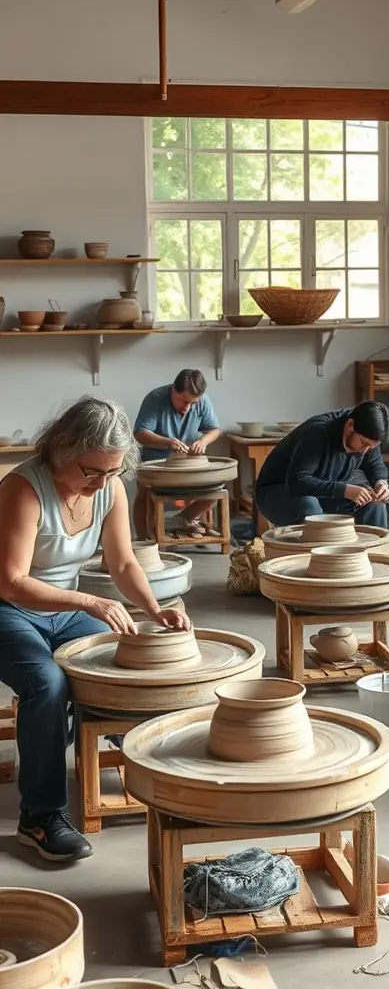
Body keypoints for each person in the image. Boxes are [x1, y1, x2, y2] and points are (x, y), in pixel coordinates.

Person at [0, 397, 190, 863]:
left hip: (61, 609)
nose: (103, 482)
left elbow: (123, 562)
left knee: (123, 656)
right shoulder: (23, 488)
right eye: (93, 472)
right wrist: (91, 600)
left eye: (113, 472)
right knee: (47, 683)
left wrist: (154, 608)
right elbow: (13, 581)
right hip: (7, 608)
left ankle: (147, 763)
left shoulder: (109, 488)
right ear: (63, 451)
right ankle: (40, 818)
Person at [255, 402, 389, 529]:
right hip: (277, 493)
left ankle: (373, 554)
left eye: (372, 447)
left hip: (322, 491)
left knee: (375, 504)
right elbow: (297, 481)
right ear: (350, 426)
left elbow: (374, 463)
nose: (365, 450)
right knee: (309, 505)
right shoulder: (317, 433)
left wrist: (381, 483)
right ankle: (321, 554)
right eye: (363, 443)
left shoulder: (367, 430)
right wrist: (344, 490)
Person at [133, 369, 221, 539]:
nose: (187, 408)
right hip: (157, 461)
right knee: (145, 490)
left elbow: (215, 430)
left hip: (188, 462)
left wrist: (203, 441)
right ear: (174, 389)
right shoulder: (155, 399)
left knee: (216, 489)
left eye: (193, 403)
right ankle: (143, 539)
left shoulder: (202, 400)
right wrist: (168, 441)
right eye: (183, 401)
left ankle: (185, 518)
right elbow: (140, 433)